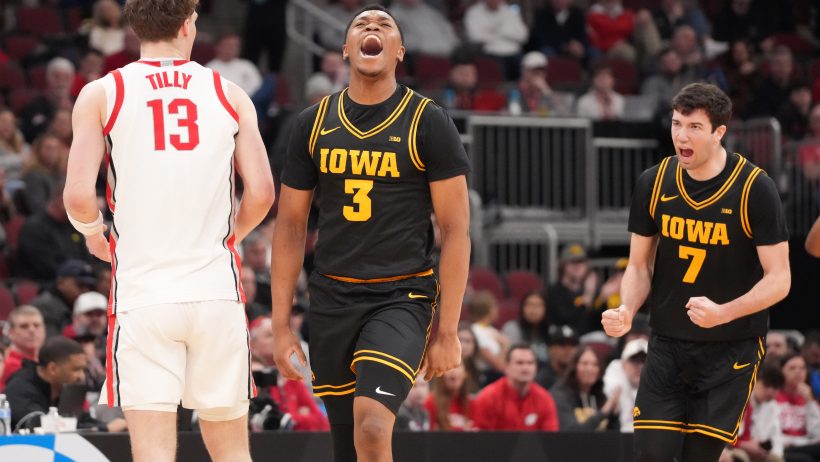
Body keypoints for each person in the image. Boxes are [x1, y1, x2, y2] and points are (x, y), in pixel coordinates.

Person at [63, 0, 276, 460]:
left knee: (155, 454)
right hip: (215, 290)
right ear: (186, 25)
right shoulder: (229, 91)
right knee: (232, 453)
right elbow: (261, 193)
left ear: (136, 27)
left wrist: (94, 233)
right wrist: (229, 237)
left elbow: (79, 196)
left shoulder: (102, 92)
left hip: (144, 295)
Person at [271, 5, 471, 461]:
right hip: (330, 298)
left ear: (398, 51)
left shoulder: (428, 121)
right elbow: (289, 227)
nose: (372, 28)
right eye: (361, 24)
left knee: (375, 426)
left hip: (400, 297)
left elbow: (457, 231)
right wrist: (281, 325)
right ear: (345, 48)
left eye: (384, 26)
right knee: (348, 444)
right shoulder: (312, 124)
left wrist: (449, 331)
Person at [602, 82, 791, 462]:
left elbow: (780, 279)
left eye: (694, 127)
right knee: (651, 455)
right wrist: (627, 308)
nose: (681, 136)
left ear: (719, 132)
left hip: (731, 347)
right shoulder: (654, 182)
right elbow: (640, 265)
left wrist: (724, 312)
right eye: (676, 124)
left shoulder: (755, 188)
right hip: (668, 343)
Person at [5, 336, 125, 432]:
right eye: (76, 369)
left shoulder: (67, 387)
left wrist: (109, 426)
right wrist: (104, 429)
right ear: (52, 368)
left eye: (83, 370)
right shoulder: (20, 387)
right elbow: (39, 426)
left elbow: (79, 420)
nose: (82, 376)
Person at [471, 344, 559, 431]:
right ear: (506, 366)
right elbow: (480, 438)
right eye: (519, 363)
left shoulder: (545, 399)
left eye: (530, 363)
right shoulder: (487, 398)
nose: (525, 368)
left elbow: (550, 439)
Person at [550, 346, 619, 431]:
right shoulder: (560, 395)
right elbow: (571, 432)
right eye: (584, 363)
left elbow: (613, 432)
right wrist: (603, 412)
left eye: (595, 364)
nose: (590, 369)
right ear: (574, 367)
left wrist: (614, 415)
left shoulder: (601, 395)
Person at [730, 362, 786, 462]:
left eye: (775, 388)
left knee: (776, 460)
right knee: (742, 457)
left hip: (757, 449)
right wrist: (743, 445)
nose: (770, 391)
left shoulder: (773, 407)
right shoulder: (740, 398)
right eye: (766, 385)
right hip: (732, 447)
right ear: (755, 380)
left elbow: (776, 438)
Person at [30, 259, 96, 336]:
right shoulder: (45, 307)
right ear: (61, 283)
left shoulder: (85, 306)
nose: (85, 290)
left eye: (89, 287)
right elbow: (52, 342)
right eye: (80, 285)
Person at [548, 243, 600, 335]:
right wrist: (586, 298)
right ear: (563, 265)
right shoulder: (554, 291)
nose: (577, 266)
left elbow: (599, 323)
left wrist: (603, 297)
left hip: (590, 339)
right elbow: (564, 320)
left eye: (581, 261)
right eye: (572, 262)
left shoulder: (594, 291)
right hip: (566, 340)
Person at [776, 354, 820, 461]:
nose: (798, 372)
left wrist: (810, 403)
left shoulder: (810, 400)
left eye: (802, 368)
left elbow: (817, 433)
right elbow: (770, 434)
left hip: (807, 446)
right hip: (781, 447)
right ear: (781, 371)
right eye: (792, 368)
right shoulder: (773, 397)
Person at [603, 337, 647, 432]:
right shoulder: (613, 379)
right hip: (619, 441)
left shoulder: (658, 387)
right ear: (623, 363)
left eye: (644, 361)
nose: (640, 367)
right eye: (634, 361)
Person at [0, 305, 46, 392]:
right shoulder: (7, 364)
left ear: (44, 329)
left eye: (37, 325)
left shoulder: (47, 359)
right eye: (24, 326)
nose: (32, 330)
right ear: (10, 332)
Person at [501, 291, 549, 366]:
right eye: (529, 305)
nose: (533, 309)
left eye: (538, 305)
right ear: (522, 308)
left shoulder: (551, 330)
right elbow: (507, 360)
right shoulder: (512, 328)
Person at [425, 364, 473, 431]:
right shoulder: (430, 402)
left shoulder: (472, 404)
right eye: (448, 368)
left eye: (457, 366)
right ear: (440, 374)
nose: (453, 371)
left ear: (465, 374)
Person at [535, 324, 580, 389]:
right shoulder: (541, 380)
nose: (568, 350)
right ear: (551, 349)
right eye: (562, 345)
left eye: (572, 345)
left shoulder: (580, 377)